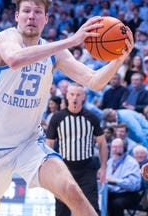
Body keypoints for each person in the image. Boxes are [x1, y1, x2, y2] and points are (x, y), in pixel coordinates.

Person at [0, 0, 133, 216]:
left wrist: (119, 59)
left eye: (37, 12)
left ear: (46, 19)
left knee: (71, 189)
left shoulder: (54, 52)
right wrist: (72, 41)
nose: (31, 17)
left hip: (27, 143)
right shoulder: (7, 37)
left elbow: (94, 81)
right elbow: (14, 59)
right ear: (17, 16)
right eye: (26, 11)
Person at [46, 83, 108, 216]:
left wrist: (103, 167)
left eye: (78, 95)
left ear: (84, 97)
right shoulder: (57, 118)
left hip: (86, 168)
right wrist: (51, 170)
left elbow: (102, 143)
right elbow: (49, 144)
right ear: (67, 96)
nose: (75, 98)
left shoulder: (91, 117)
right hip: (64, 169)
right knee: (62, 208)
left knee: (91, 206)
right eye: (72, 94)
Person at [106, 138, 141, 216]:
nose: (115, 149)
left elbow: (133, 185)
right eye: (113, 147)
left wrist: (114, 181)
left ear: (124, 148)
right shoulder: (110, 161)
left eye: (118, 147)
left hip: (129, 194)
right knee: (98, 200)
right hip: (113, 193)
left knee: (115, 204)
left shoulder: (132, 163)